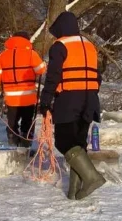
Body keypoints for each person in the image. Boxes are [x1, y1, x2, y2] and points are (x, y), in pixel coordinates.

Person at [38, 12, 105, 201]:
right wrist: (91, 91)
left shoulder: (60, 46)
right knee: (78, 143)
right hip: (90, 99)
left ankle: (92, 178)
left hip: (69, 99)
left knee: (64, 141)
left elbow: (53, 76)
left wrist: (45, 101)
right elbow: (97, 74)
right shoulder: (90, 45)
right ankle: (74, 190)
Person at [0, 33, 47, 148]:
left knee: (12, 121)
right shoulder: (31, 54)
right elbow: (41, 70)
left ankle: (12, 140)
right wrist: (43, 64)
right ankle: (25, 142)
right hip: (28, 96)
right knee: (27, 120)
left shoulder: (3, 55)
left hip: (11, 97)